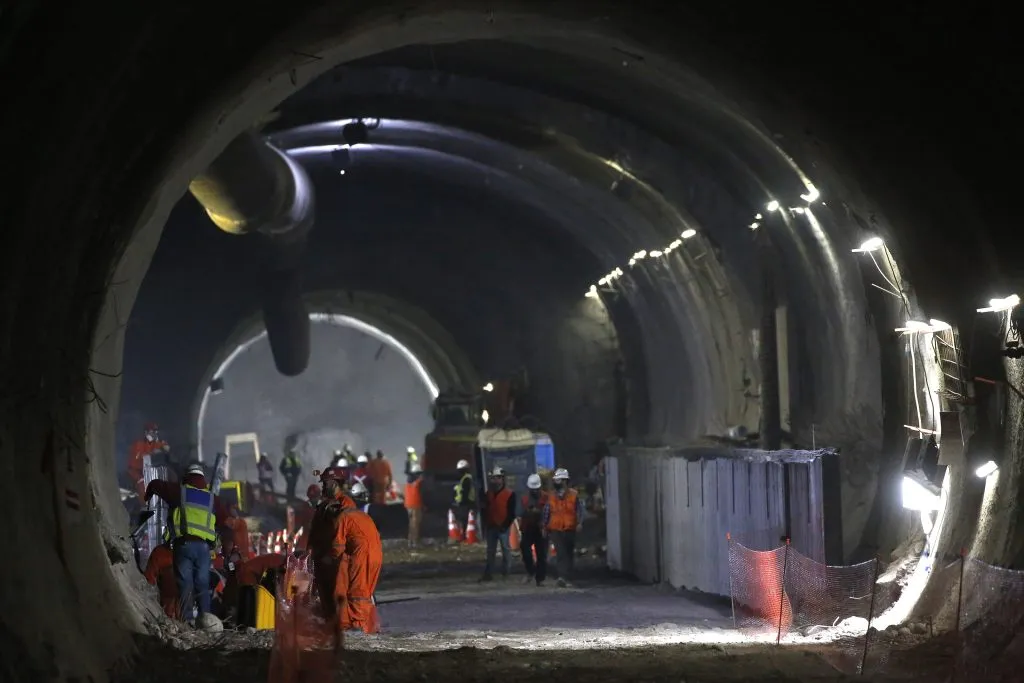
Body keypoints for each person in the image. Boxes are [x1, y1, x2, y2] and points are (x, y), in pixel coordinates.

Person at [145, 463, 229, 625]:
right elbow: (225, 521)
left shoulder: (180, 492)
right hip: (204, 548)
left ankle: (187, 621)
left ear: (187, 478)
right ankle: (206, 621)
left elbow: (155, 484)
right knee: (202, 583)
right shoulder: (212, 499)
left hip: (184, 544)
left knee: (185, 583)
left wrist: (147, 495)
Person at [330, 482, 383, 633]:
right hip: (370, 555)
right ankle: (368, 624)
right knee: (365, 591)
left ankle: (359, 625)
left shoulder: (345, 516)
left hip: (358, 556)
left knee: (355, 592)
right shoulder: (365, 513)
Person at [307, 467, 356, 627]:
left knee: (338, 595)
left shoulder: (346, 504)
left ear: (334, 483)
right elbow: (315, 532)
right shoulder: (323, 506)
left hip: (337, 560)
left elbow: (347, 532)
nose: (322, 487)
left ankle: (343, 629)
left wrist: (334, 556)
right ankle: (331, 628)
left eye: (325, 483)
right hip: (322, 560)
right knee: (325, 597)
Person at [543, 468, 585, 588]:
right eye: (556, 480)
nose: (556, 483)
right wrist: (544, 526)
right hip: (556, 529)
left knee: (568, 553)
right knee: (561, 553)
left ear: (565, 481)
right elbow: (547, 511)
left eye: (559, 480)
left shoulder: (573, 495)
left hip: (569, 528)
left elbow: (580, 510)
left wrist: (580, 523)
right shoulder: (551, 496)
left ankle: (567, 576)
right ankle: (562, 577)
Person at [480, 466, 516, 582]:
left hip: (503, 527)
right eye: (493, 478)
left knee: (506, 550)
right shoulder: (488, 494)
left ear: (502, 479)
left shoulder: (509, 494)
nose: (495, 480)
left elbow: (511, 513)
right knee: (491, 551)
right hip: (491, 526)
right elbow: (485, 510)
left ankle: (506, 572)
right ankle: (488, 573)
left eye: (497, 478)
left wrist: (505, 525)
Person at [518, 473, 548, 586]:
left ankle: (540, 578)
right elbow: (521, 513)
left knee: (541, 554)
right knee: (525, 548)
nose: (534, 491)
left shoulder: (546, 497)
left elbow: (549, 512)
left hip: (541, 528)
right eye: (532, 489)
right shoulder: (525, 498)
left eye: (536, 489)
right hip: (528, 527)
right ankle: (530, 571)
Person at [127, 422, 169, 499]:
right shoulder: (138, 444)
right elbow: (135, 462)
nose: (154, 433)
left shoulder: (155, 443)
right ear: (146, 432)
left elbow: (166, 447)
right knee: (143, 487)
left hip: (151, 473)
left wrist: (162, 448)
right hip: (137, 473)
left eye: (155, 432)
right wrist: (151, 453)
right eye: (152, 431)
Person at [144, 540, 179, 618]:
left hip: (169, 609)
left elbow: (149, 578)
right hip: (176, 609)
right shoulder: (161, 552)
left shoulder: (160, 552)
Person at [451, 458, 475, 540]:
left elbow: (465, 492)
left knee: (464, 520)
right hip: (463, 502)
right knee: (463, 520)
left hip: (466, 502)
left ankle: (464, 536)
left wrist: (460, 501)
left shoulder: (466, 478)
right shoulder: (464, 478)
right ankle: (463, 535)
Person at [404, 462, 424, 547]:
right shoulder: (419, 482)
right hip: (416, 505)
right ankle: (415, 542)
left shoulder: (408, 484)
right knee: (416, 524)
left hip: (408, 505)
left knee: (411, 524)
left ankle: (410, 541)